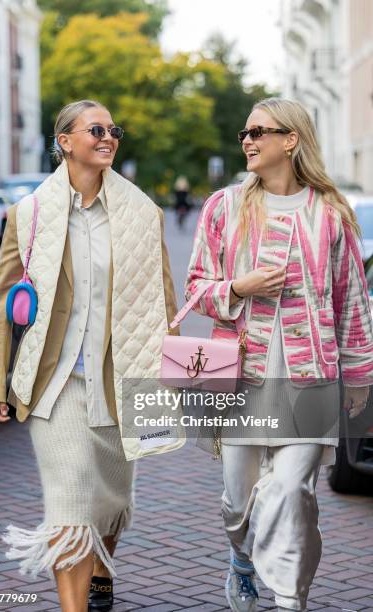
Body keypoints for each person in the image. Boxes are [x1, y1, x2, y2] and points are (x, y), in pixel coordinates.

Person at [0, 99, 182, 612]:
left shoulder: (140, 211)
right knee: (70, 505)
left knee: (110, 501)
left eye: (113, 130)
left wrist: (175, 371)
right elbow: (3, 298)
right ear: (65, 141)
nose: (108, 137)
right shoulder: (31, 214)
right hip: (55, 380)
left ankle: (101, 572)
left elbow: (163, 296)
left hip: (121, 378)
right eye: (95, 129)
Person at [185, 97, 373, 612]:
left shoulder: (331, 212)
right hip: (239, 379)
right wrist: (239, 288)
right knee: (237, 503)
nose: (247, 141)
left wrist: (359, 377)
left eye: (259, 132)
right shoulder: (224, 208)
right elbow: (196, 290)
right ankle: (242, 561)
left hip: (313, 377)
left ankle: (291, 598)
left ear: (290, 140)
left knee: (293, 493)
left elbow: (352, 298)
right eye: (244, 133)